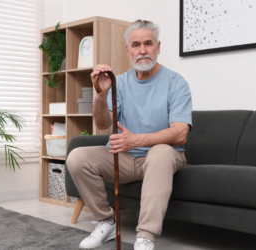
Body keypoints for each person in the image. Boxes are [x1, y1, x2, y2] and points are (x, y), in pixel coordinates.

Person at [67, 19, 192, 250]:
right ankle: (105, 222)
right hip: (125, 157)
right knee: (76, 157)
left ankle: (145, 236)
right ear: (128, 50)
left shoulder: (176, 82)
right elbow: (103, 124)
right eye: (136, 45)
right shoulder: (120, 82)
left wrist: (138, 139)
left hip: (163, 158)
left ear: (158, 47)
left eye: (148, 43)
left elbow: (180, 133)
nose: (142, 50)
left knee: (161, 152)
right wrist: (101, 95)